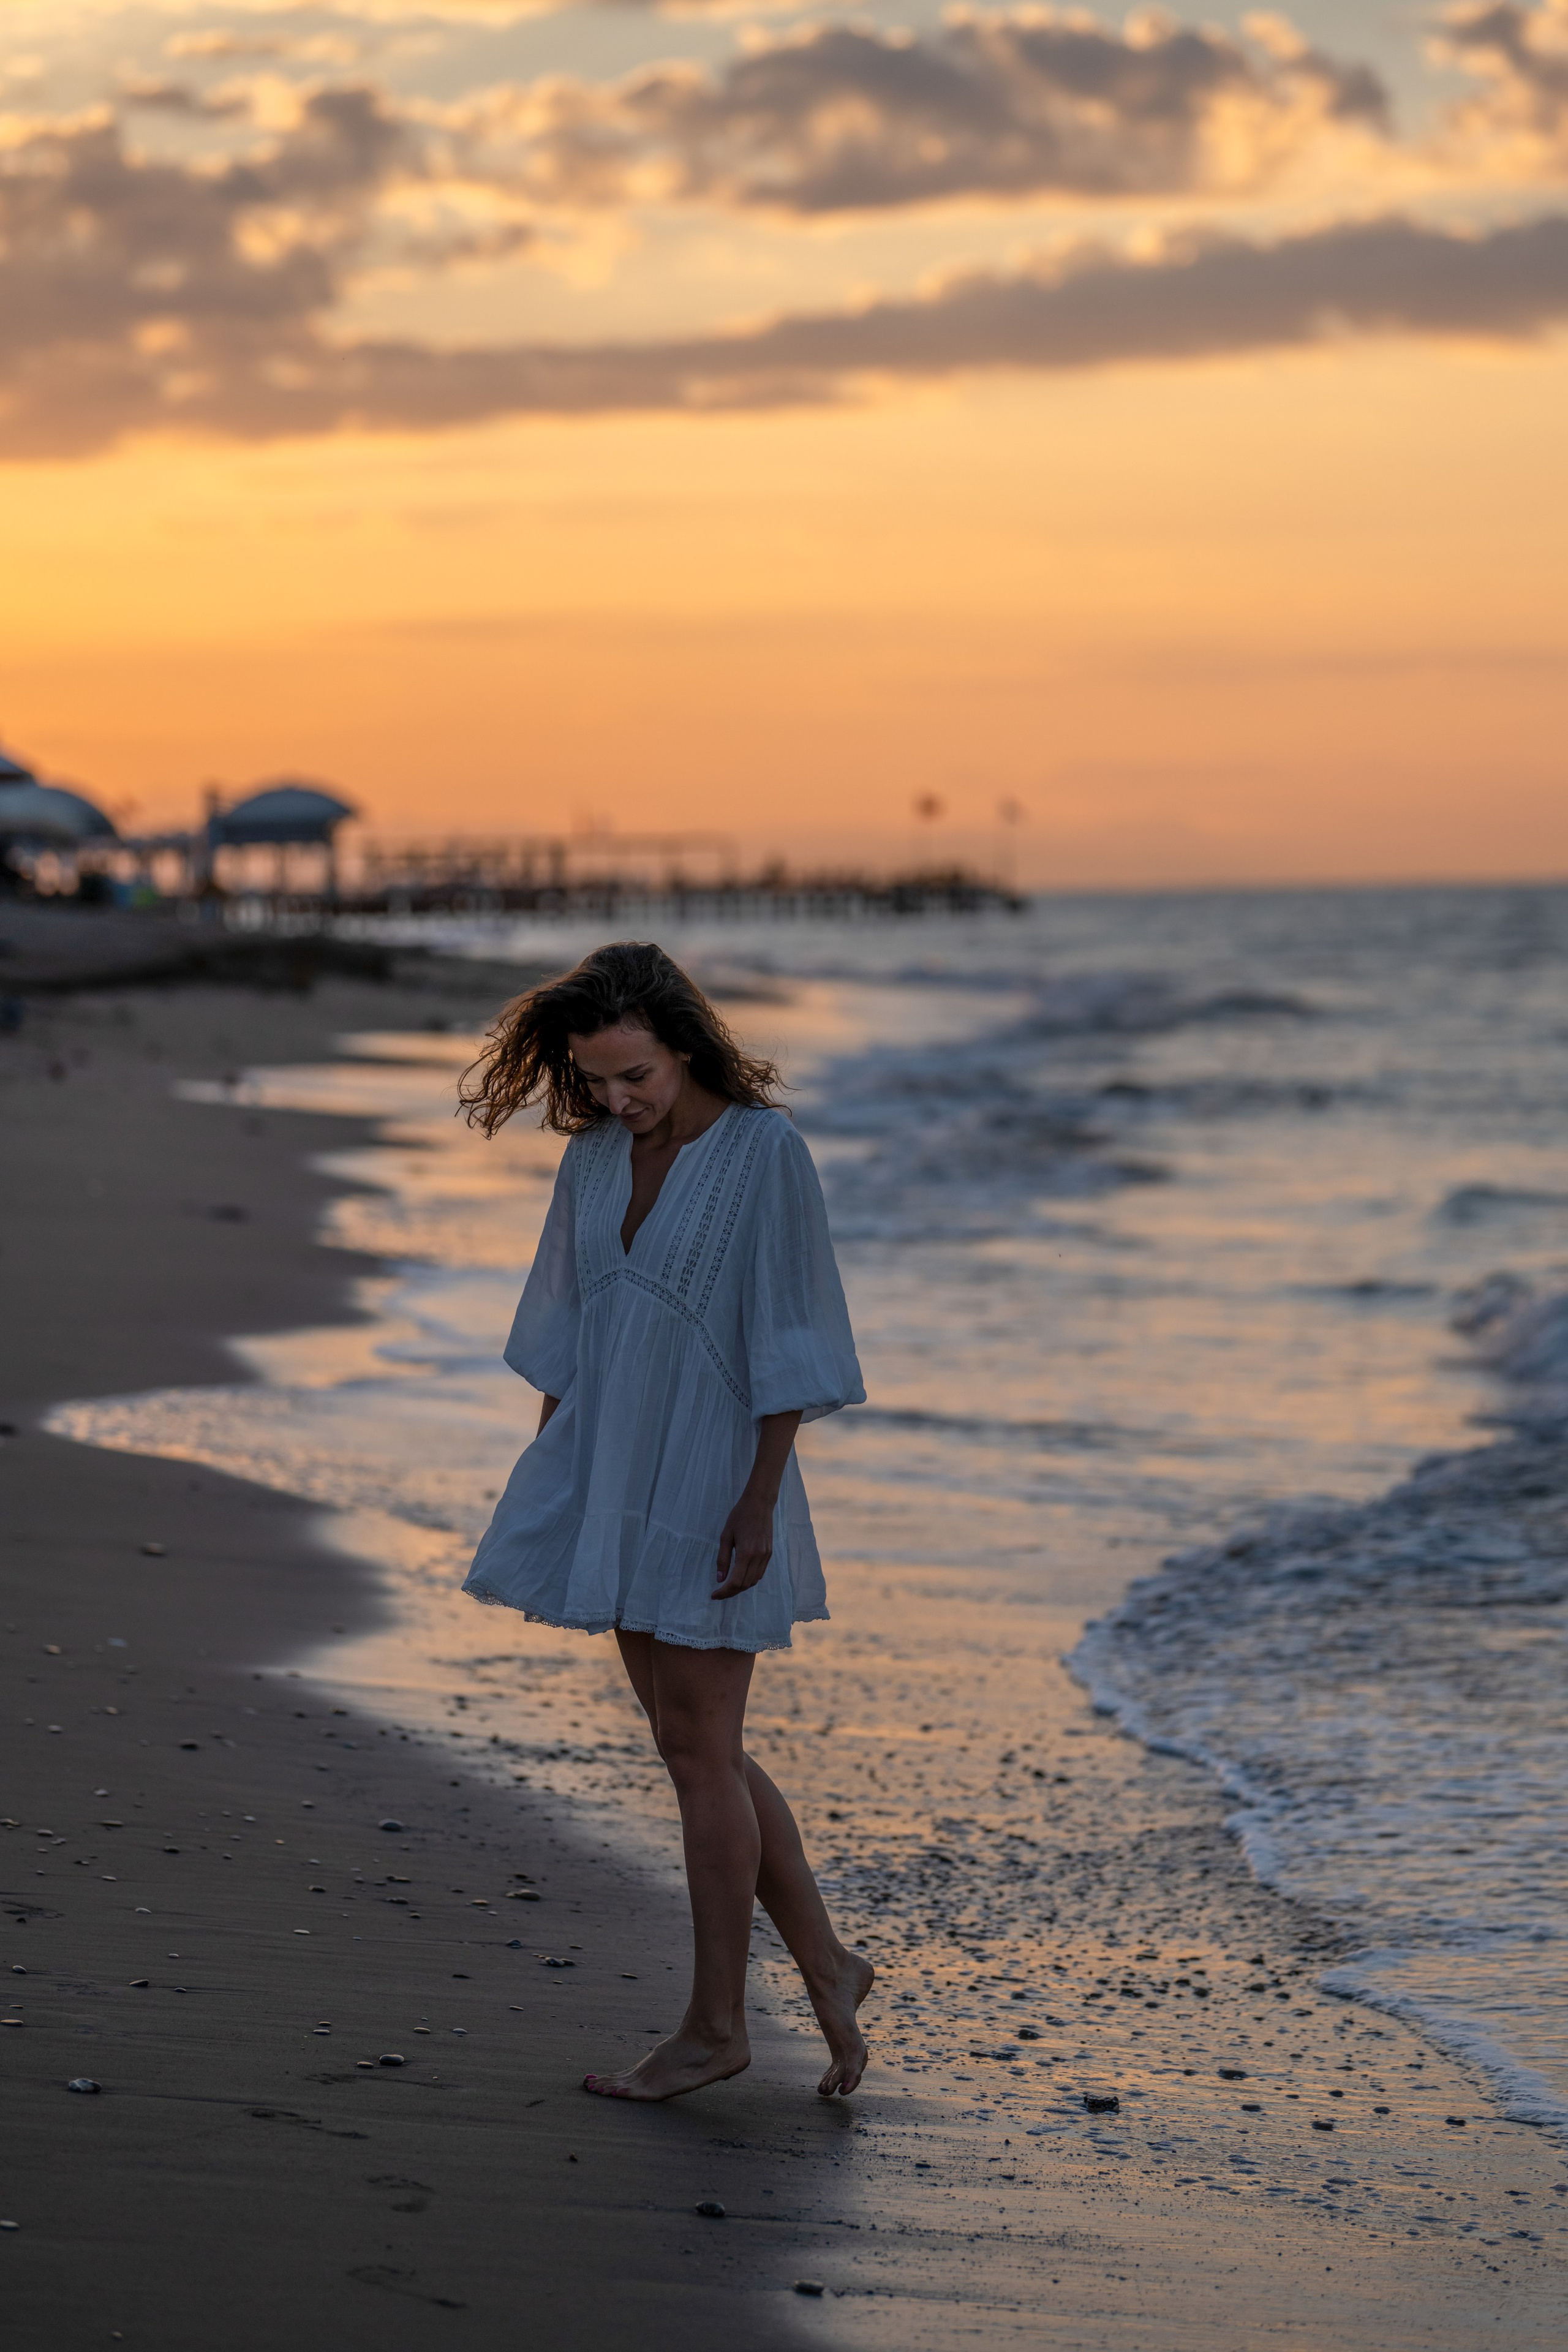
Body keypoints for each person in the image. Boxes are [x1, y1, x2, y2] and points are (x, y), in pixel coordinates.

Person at [458, 941, 873, 2103]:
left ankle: (716, 2028)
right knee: (701, 1748)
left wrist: (759, 1498)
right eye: (595, 1079)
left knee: (698, 1752)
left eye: (634, 1074)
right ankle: (830, 1968)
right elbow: (565, 1335)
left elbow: (792, 1334)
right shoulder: (592, 1161)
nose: (616, 1099)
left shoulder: (764, 1153)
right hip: (612, 1473)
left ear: (685, 1046)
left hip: (713, 1478)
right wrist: (559, 1484)